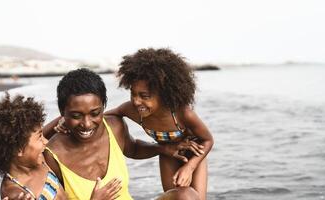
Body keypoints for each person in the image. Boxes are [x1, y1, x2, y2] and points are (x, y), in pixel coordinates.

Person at [44, 68, 202, 200]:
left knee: (186, 196)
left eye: (95, 113)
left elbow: (132, 148)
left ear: (103, 106)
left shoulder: (114, 126)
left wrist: (163, 149)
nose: (86, 124)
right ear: (62, 113)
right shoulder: (52, 156)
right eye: (76, 116)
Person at [105, 48, 214, 200]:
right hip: (168, 153)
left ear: (163, 95)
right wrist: (63, 121)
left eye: (144, 96)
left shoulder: (181, 113)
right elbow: (101, 116)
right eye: (133, 94)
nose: (136, 101)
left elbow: (208, 140)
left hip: (193, 154)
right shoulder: (132, 110)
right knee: (175, 198)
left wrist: (190, 167)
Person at [0, 94, 67, 200]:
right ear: (19, 148)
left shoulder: (36, 157)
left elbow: (46, 130)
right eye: (40, 137)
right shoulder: (13, 191)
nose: (46, 141)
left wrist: (64, 119)